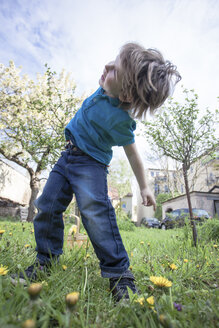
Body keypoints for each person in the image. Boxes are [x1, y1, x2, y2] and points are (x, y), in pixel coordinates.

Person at [11, 42, 181, 301]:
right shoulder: (104, 89)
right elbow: (122, 75)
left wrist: (145, 186)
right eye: (112, 61)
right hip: (66, 157)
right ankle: (46, 261)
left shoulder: (122, 121)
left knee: (95, 213)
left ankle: (120, 276)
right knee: (46, 204)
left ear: (125, 95)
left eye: (115, 69)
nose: (107, 66)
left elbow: (133, 154)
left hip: (90, 165)